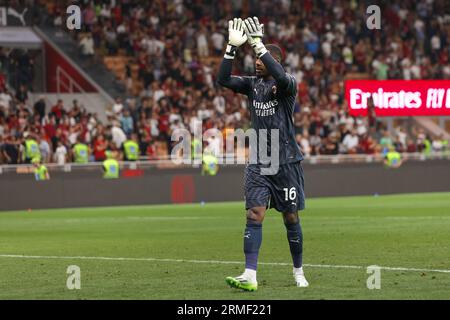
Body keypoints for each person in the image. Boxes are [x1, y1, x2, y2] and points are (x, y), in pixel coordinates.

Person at [217, 17, 308, 291]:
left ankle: (298, 271)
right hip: (259, 161)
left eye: (260, 59)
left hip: (287, 161)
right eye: (255, 58)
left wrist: (258, 45)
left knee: (290, 217)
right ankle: (250, 274)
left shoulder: (287, 85)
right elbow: (223, 79)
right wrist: (231, 48)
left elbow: (278, 75)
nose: (256, 63)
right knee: (253, 215)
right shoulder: (251, 85)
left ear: (274, 61)